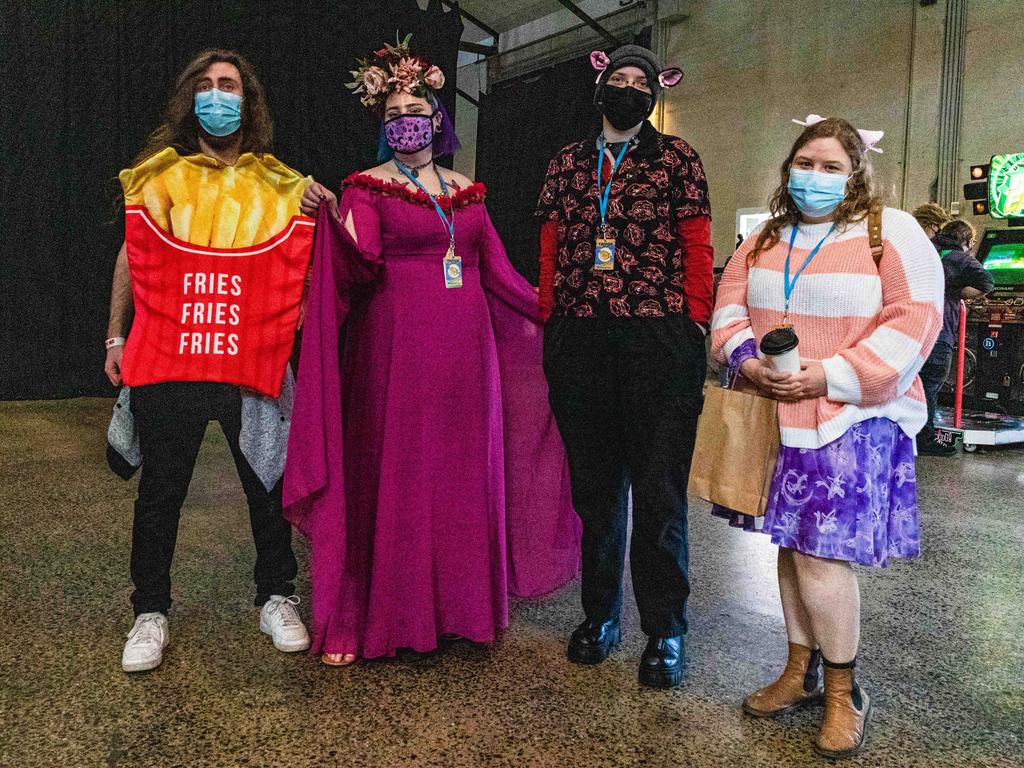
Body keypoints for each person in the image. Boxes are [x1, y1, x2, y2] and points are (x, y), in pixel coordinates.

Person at [284, 36, 580, 666]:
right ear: (381, 126)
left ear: (437, 116)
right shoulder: (365, 188)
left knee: (457, 481)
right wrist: (331, 218)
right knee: (392, 476)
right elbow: (358, 263)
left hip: (468, 365)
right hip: (394, 356)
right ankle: (369, 616)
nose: (404, 122)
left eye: (414, 109)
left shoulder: (468, 191)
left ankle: (459, 611)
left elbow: (500, 274)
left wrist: (568, 312)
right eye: (391, 115)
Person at [711, 115, 942, 757]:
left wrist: (833, 375)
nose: (815, 176)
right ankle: (799, 669)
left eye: (832, 167)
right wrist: (748, 360)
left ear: (856, 173)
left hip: (850, 417)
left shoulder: (890, 233)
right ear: (788, 167)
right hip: (776, 411)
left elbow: (916, 318)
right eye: (806, 163)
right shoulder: (764, 238)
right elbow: (728, 310)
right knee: (789, 546)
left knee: (820, 555)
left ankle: (845, 693)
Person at [105, 49, 331, 673]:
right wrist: (114, 338)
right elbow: (131, 258)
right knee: (161, 492)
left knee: (267, 482)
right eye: (205, 86)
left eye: (228, 85)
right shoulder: (158, 176)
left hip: (248, 357)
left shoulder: (278, 182)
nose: (216, 95)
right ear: (189, 100)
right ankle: (149, 610)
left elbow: (308, 261)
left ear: (247, 100)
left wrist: (320, 207)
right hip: (170, 356)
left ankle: (276, 594)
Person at [535, 45, 714, 688]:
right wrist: (552, 313)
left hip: (658, 338)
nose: (629, 88)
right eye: (620, 79)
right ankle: (601, 615)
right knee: (597, 494)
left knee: (660, 493)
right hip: (581, 336)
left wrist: (694, 319)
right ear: (600, 86)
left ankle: (665, 629)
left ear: (655, 93)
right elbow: (550, 244)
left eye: (641, 82)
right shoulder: (567, 163)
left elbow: (698, 242)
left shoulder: (677, 158)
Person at [917, 218, 994, 455]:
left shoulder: (922, 248)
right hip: (940, 331)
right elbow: (988, 282)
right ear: (968, 242)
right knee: (930, 385)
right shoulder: (961, 258)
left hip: (911, 328)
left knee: (911, 384)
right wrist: (958, 292)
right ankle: (925, 440)